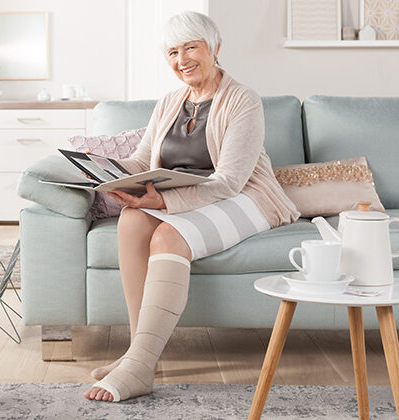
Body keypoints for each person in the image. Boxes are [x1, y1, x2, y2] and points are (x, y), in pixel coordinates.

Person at [84, 10, 300, 403]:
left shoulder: (243, 100)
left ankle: (139, 367)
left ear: (215, 49)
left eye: (191, 48)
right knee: (132, 220)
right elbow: (140, 160)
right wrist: (100, 170)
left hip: (244, 196)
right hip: (186, 195)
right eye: (172, 52)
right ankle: (140, 353)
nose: (181, 59)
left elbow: (231, 180)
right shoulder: (169, 101)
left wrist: (164, 200)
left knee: (168, 234)